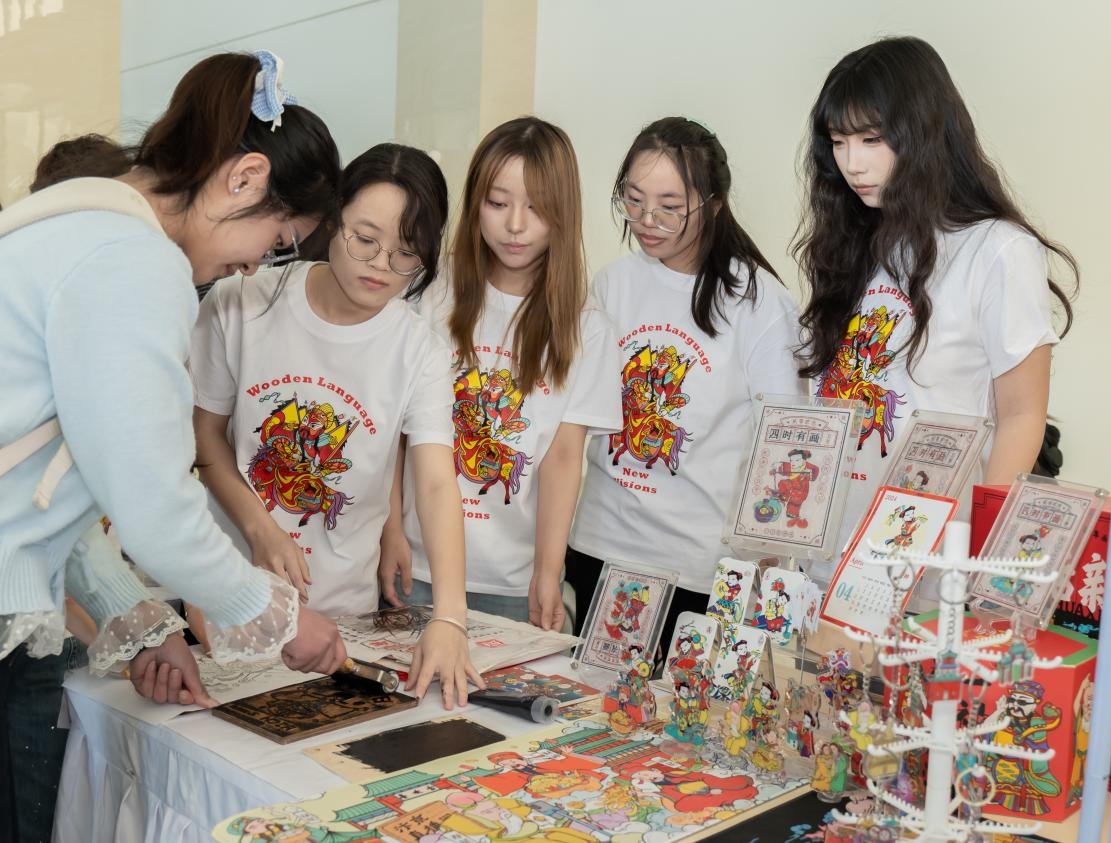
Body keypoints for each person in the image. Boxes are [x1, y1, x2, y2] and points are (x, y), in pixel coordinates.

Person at [0, 51, 347, 838]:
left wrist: (145, 621)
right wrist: (277, 616)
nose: (257, 261)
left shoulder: (80, 223)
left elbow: (52, 487)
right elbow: (151, 505)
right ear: (243, 178)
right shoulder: (131, 260)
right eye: (280, 237)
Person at [189, 143, 479, 704]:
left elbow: (436, 482)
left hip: (343, 614)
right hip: (229, 597)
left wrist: (450, 616)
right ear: (334, 215)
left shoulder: (419, 349)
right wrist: (260, 530)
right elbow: (205, 440)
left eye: (406, 253)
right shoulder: (243, 301)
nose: (381, 265)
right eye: (365, 239)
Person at [795, 36, 1078, 534]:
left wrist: (983, 552)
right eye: (838, 142)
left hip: (931, 547)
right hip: (830, 541)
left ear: (924, 133)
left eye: (871, 139)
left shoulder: (997, 249)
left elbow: (1021, 416)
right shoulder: (852, 241)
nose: (852, 164)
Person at [565, 117, 804, 659]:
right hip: (600, 549)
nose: (647, 221)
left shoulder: (758, 304)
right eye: (633, 200)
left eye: (670, 207)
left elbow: (783, 445)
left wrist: (770, 566)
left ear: (714, 205)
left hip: (698, 571)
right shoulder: (612, 284)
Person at [386, 117, 620, 632]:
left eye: (537, 207)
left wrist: (547, 571)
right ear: (475, 203)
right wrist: (390, 529)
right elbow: (395, 432)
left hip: (512, 583)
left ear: (564, 212)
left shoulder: (588, 327)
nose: (515, 225)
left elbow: (563, 458)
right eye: (498, 203)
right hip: (415, 565)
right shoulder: (430, 292)